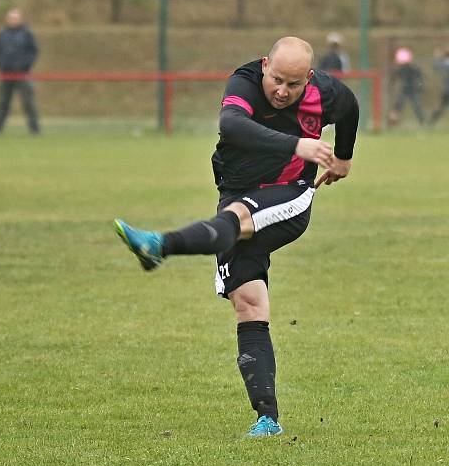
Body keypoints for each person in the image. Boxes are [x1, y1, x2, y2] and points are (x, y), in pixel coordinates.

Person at [113, 37, 359, 437]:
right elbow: (232, 126)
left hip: (289, 194)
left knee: (237, 218)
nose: (282, 91)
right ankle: (268, 418)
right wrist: (299, 143)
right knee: (247, 301)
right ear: (265, 66)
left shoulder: (324, 92)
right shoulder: (243, 83)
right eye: (277, 79)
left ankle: (159, 245)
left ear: (309, 79)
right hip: (237, 189)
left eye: (293, 85)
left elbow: (349, 107)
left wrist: (344, 158)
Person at [0, 8, 40, 134]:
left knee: (28, 103)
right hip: (5, 74)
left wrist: (25, 65)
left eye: (15, 18)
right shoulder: (2, 34)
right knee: (2, 103)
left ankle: (35, 130)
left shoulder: (26, 33)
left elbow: (33, 52)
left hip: (22, 74)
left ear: (20, 19)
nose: (13, 20)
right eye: (11, 18)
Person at [389, 47, 425, 126]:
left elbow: (419, 78)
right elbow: (393, 78)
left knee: (415, 106)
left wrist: (419, 86)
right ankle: (393, 121)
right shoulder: (407, 68)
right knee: (399, 106)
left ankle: (422, 122)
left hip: (411, 89)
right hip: (406, 90)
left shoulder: (411, 68)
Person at [430, 45, 449, 125]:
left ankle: (431, 122)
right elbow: (436, 66)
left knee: (441, 107)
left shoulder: (445, 62)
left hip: (446, 89)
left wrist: (437, 57)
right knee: (441, 107)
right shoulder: (445, 62)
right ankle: (431, 122)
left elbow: (436, 66)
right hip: (447, 90)